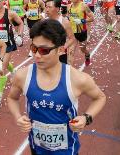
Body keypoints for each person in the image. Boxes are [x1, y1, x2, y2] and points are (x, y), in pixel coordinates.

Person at [7, 19, 106, 155]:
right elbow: (12, 98)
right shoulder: (22, 76)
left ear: (60, 50)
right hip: (36, 147)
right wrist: (18, 116)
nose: (36, 55)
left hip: (67, 150)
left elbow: (100, 97)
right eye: (34, 48)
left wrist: (86, 118)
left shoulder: (78, 79)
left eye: (43, 50)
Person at [45, 0, 76, 65]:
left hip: (60, 56)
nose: (47, 10)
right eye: (46, 7)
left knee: (60, 74)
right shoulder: (44, 21)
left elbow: (72, 38)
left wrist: (63, 47)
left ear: (57, 9)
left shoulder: (65, 22)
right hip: (46, 54)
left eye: (49, 7)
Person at [68, 0, 94, 67]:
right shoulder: (69, 6)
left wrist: (82, 21)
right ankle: (70, 72)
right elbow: (68, 17)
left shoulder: (84, 6)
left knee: (83, 49)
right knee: (71, 51)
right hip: (72, 32)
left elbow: (92, 18)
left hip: (81, 32)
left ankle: (87, 55)